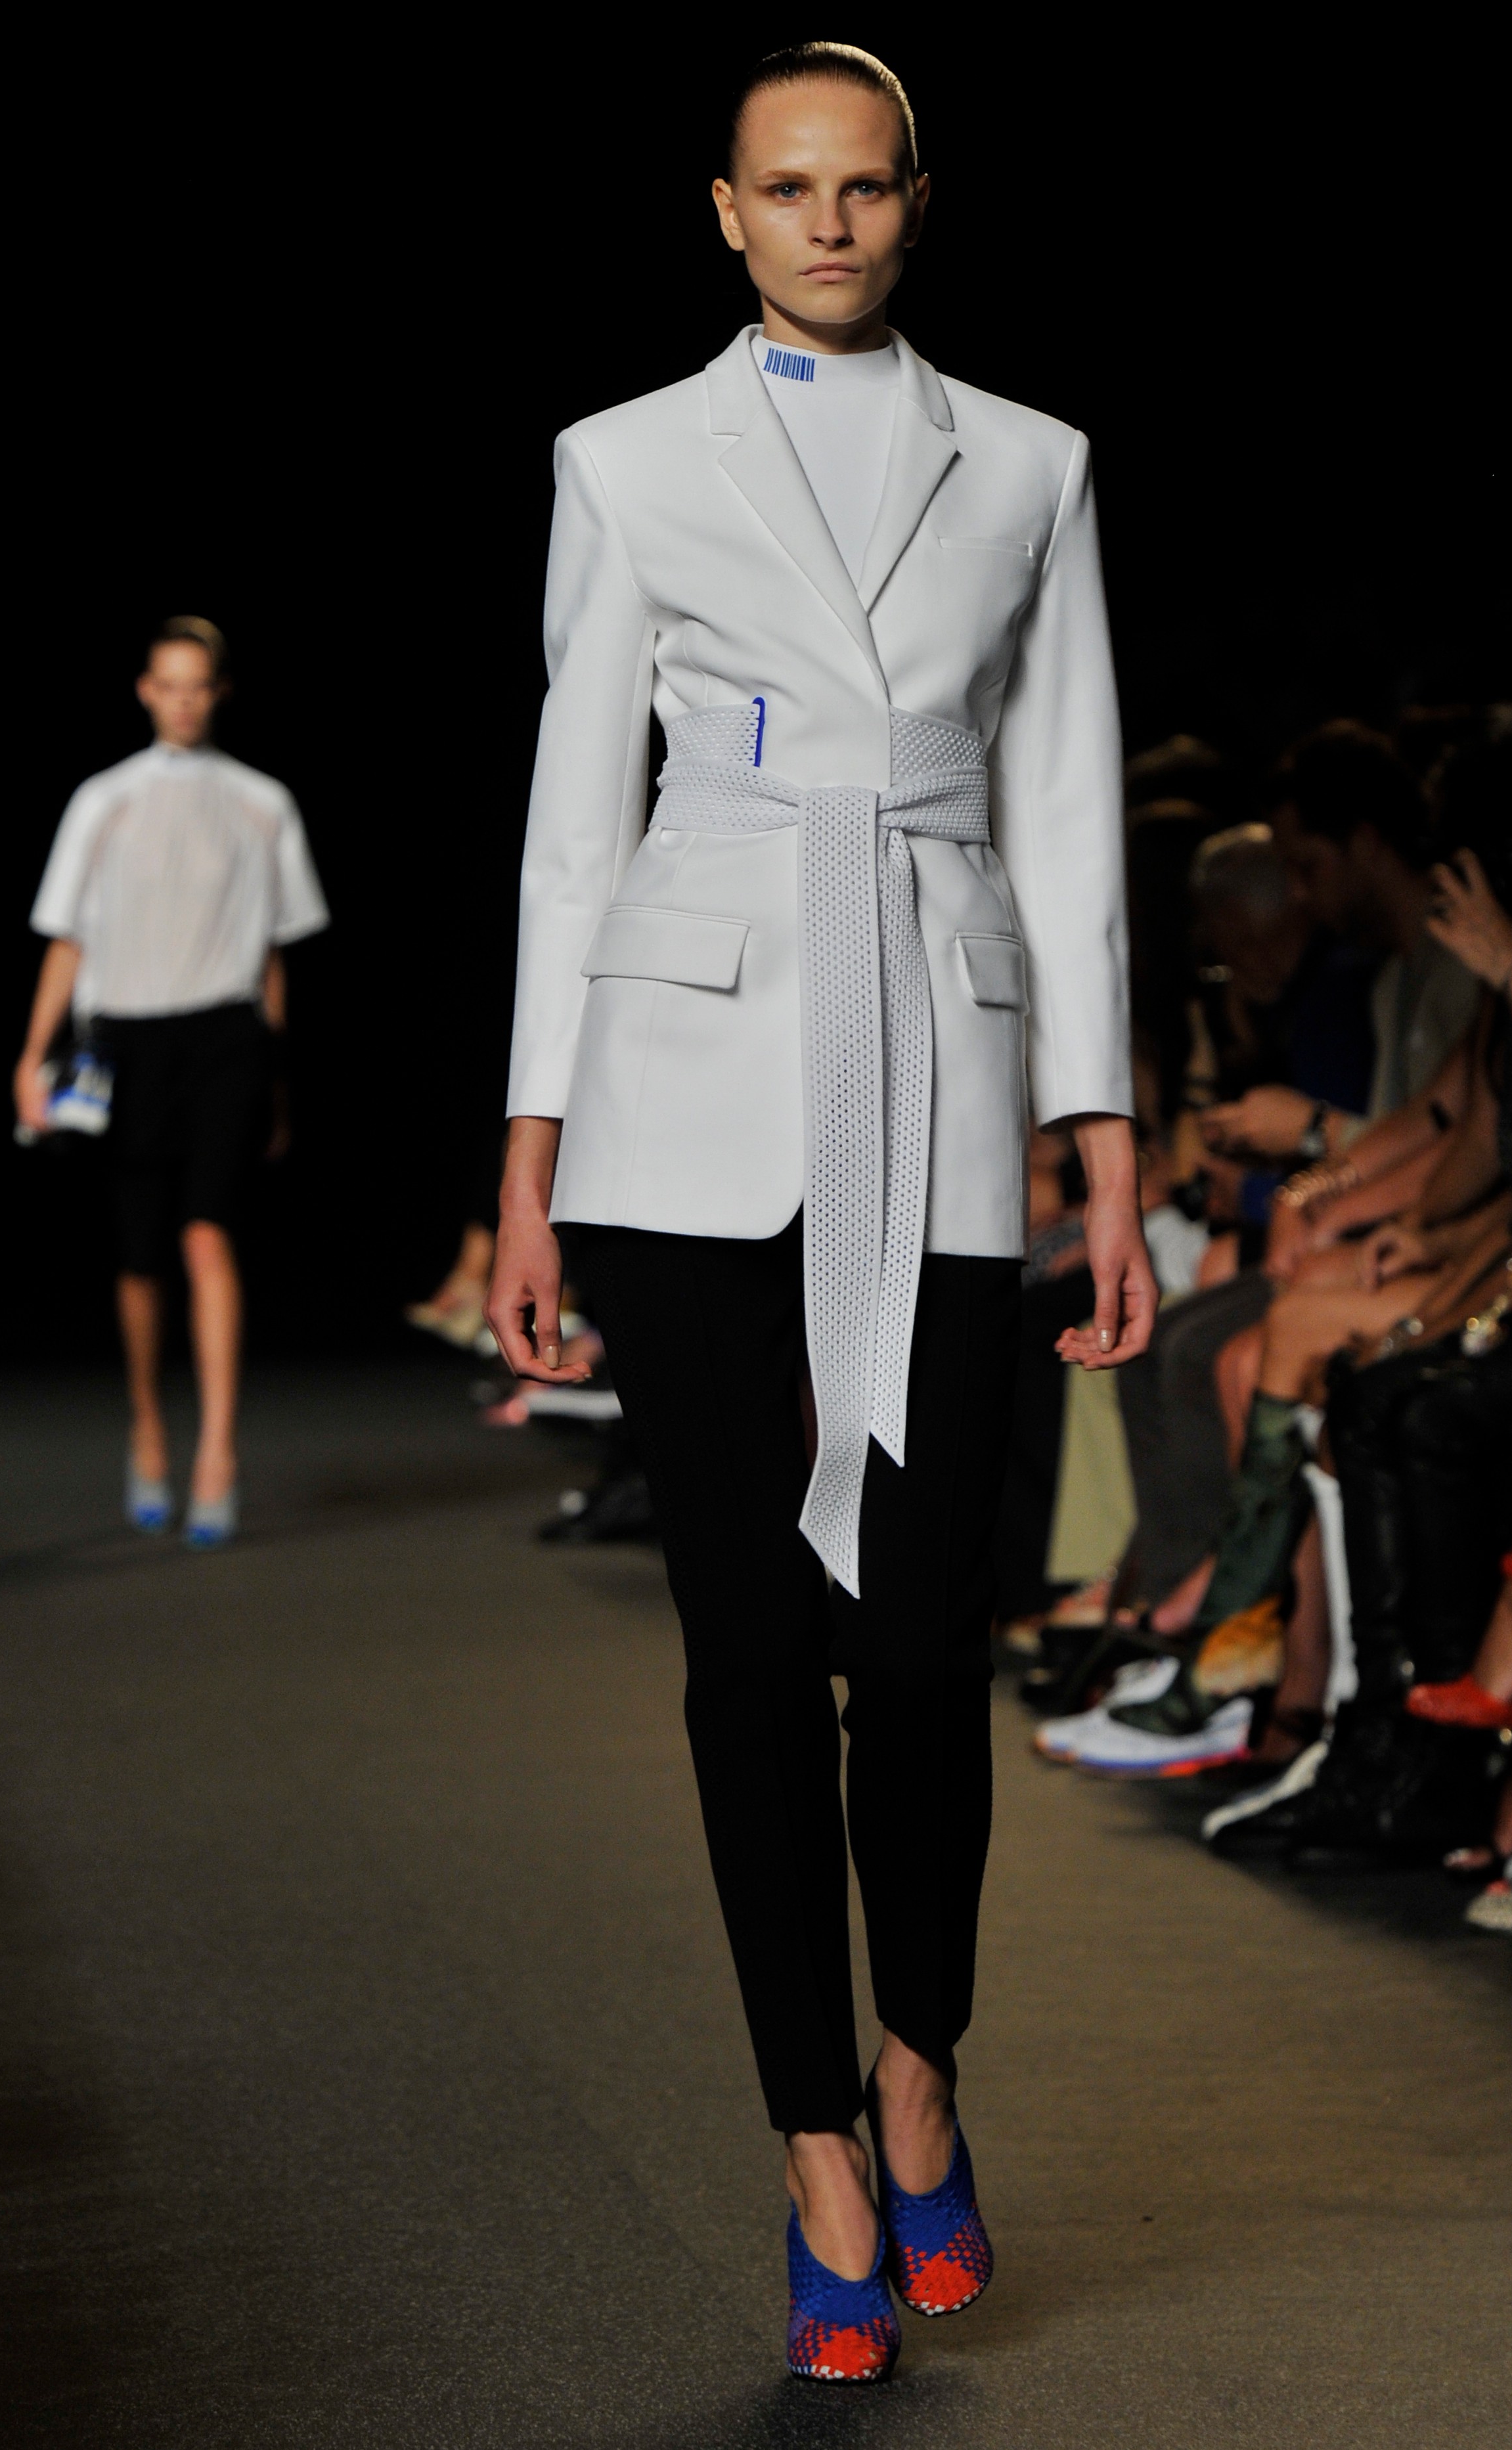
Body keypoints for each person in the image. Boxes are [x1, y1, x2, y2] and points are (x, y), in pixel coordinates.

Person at [487, 45, 1153, 2385]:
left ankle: (920, 2067)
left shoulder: (1031, 463)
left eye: (862, 186)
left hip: (945, 1072)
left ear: (913, 201)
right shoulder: (623, 457)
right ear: (725, 209)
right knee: (749, 1656)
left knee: (923, 1649)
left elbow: (1064, 810)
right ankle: (813, 2153)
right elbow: (576, 816)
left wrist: (1104, 1144)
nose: (829, 221)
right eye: (788, 189)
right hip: (684, 1086)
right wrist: (526, 1164)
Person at [14, 617, 328, 1544]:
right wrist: (32, 1057)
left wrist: (276, 1081)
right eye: (168, 683)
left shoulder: (263, 801)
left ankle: (217, 1451)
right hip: (126, 1041)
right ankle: (148, 1425)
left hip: (226, 1037)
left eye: (199, 684)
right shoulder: (103, 799)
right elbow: (68, 938)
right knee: (141, 1257)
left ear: (218, 692)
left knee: (206, 1234)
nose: (183, 701)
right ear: (146, 690)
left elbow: (273, 953)